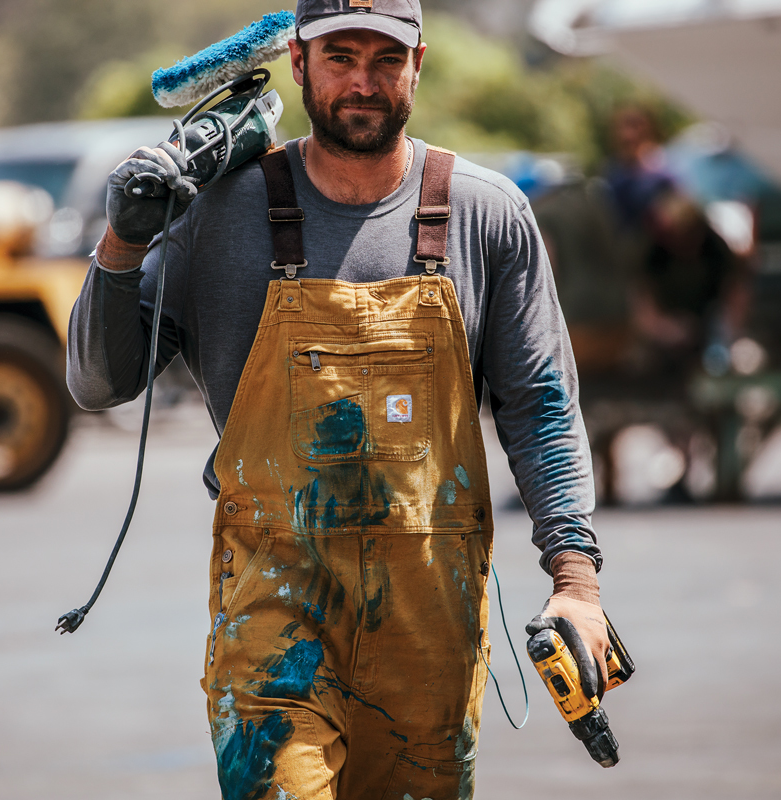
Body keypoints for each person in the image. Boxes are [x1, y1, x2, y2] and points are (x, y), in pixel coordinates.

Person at [67, 1, 610, 796]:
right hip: (274, 628)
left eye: (385, 60)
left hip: (430, 642)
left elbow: (541, 408)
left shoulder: (485, 216)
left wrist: (577, 584)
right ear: (297, 63)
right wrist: (123, 244)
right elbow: (97, 382)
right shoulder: (218, 215)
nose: (364, 81)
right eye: (340, 57)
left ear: (418, 65)